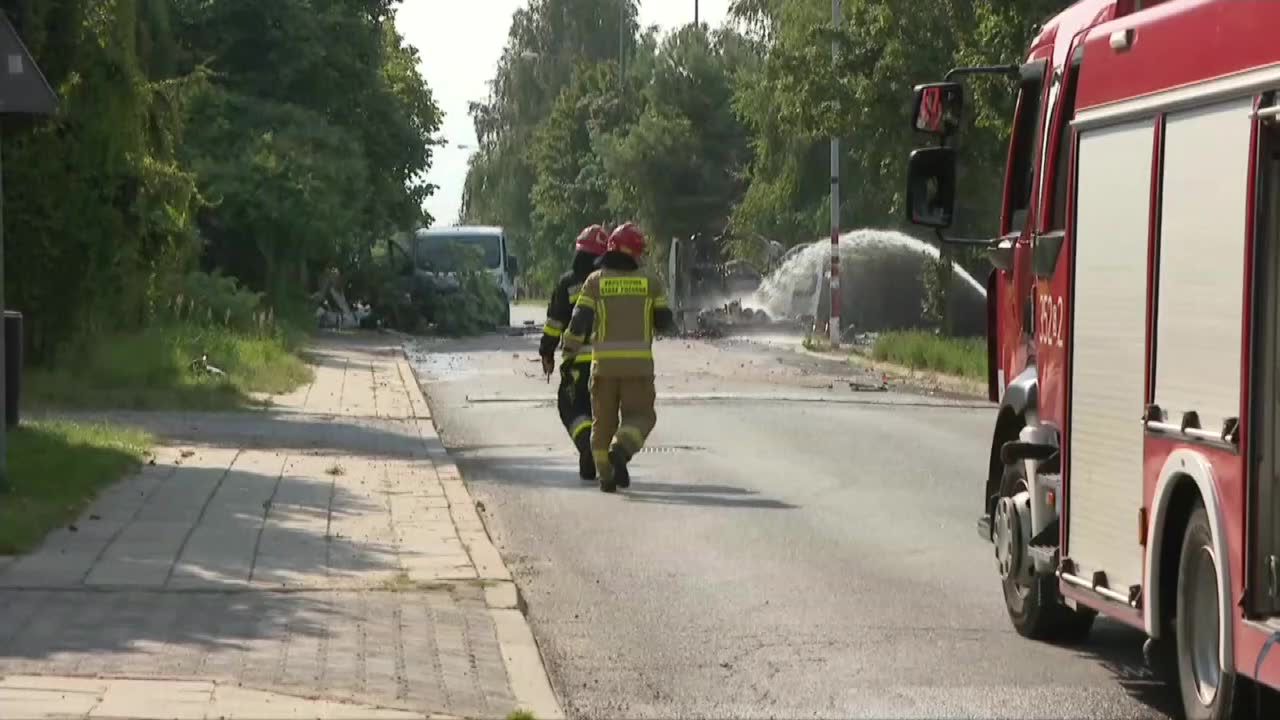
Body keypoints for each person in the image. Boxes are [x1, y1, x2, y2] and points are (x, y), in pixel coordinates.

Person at [562, 223, 673, 492]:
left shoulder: (594, 281)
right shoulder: (651, 283)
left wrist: (568, 351)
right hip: (638, 369)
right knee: (641, 416)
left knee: (602, 425)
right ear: (635, 252)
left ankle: (606, 476)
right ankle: (620, 450)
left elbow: (579, 322)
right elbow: (665, 323)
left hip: (603, 369)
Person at [540, 224, 609, 480]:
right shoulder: (611, 282)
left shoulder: (567, 284)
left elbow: (555, 323)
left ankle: (585, 445)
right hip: (609, 363)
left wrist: (547, 352)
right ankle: (599, 451)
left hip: (579, 363)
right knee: (603, 410)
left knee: (571, 406)